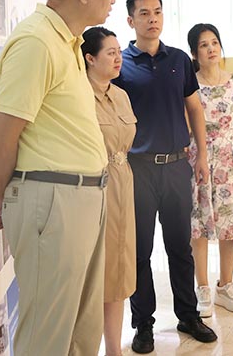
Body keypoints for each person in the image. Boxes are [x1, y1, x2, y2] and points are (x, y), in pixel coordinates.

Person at [0, 0, 115, 356]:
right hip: (52, 199)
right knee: (47, 336)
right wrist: (3, 198)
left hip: (82, 198)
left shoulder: (67, 43)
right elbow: (0, 139)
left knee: (81, 332)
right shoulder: (36, 41)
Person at [113, 0, 217, 354]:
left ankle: (188, 315)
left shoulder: (179, 60)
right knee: (140, 251)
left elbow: (195, 109)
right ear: (131, 20)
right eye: (144, 13)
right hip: (137, 169)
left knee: (180, 247)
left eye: (157, 12)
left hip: (176, 166)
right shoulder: (120, 63)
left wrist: (201, 156)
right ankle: (143, 324)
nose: (152, 18)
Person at [186, 23, 233, 316]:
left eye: (214, 42)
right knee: (199, 225)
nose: (211, 48)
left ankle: (225, 285)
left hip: (231, 158)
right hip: (199, 159)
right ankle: (202, 288)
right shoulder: (189, 84)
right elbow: (187, 125)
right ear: (194, 53)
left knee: (231, 225)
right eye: (203, 45)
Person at [82, 27, 137, 356]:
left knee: (118, 271)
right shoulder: (76, 96)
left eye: (119, 52)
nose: (118, 58)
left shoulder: (121, 95)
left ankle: (114, 349)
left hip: (122, 186)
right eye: (110, 53)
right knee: (92, 273)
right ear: (90, 58)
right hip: (91, 189)